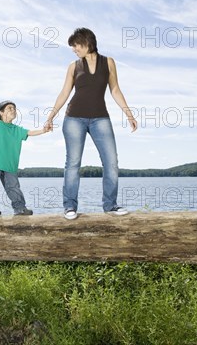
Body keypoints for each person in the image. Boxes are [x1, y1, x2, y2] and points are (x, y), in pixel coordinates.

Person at [44, 28, 138, 220]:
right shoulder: (73, 66)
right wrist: (51, 116)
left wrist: (129, 114)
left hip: (100, 118)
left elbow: (115, 90)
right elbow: (64, 93)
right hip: (73, 119)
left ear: (87, 42)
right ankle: (70, 207)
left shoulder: (108, 62)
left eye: (76, 45)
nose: (73, 49)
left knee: (111, 162)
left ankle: (110, 205)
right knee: (73, 164)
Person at [0, 100, 50, 217]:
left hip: (10, 165)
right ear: (1, 112)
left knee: (13, 188)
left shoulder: (17, 129)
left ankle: (20, 209)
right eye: (9, 108)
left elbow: (30, 132)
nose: (13, 110)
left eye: (14, 108)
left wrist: (44, 130)